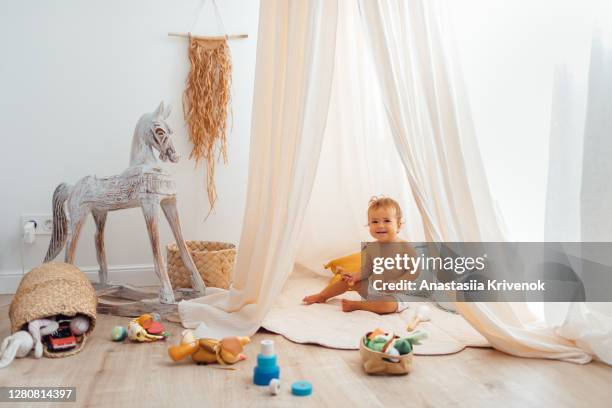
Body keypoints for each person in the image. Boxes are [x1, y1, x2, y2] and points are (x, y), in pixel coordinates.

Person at [302, 196, 417, 313]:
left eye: (387, 221)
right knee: (346, 281)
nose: (380, 225)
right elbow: (366, 270)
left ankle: (359, 305)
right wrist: (355, 276)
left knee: (388, 305)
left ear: (398, 225)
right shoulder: (371, 248)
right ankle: (323, 296)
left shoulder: (405, 247)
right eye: (375, 221)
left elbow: (414, 271)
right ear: (369, 225)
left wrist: (400, 283)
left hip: (396, 296)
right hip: (374, 290)